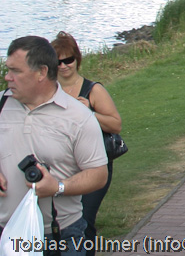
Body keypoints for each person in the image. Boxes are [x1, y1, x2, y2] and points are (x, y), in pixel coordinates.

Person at [1, 36, 108, 256]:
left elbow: (98, 174)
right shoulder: (1, 105)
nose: (7, 77)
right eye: (7, 69)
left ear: (41, 72)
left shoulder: (79, 117)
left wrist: (58, 187)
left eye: (16, 71)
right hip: (5, 234)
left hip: (61, 237)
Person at [48, 32, 123, 256]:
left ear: (77, 59)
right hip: (62, 164)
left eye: (68, 60)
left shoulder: (93, 90)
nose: (63, 66)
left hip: (93, 163)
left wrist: (88, 112)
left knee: (85, 217)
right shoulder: (49, 92)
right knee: (61, 220)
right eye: (58, 62)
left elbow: (115, 124)